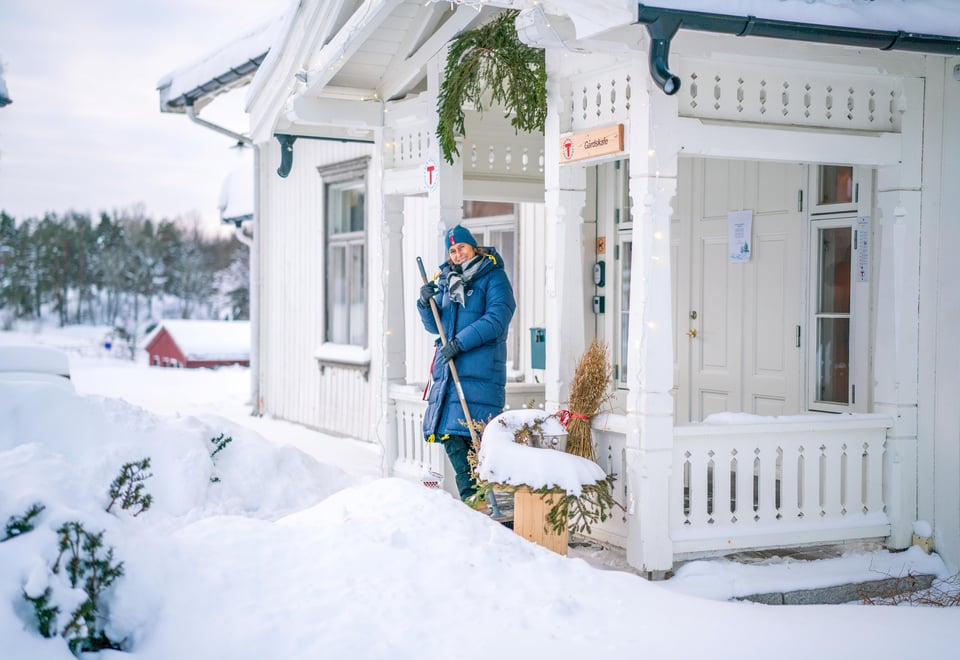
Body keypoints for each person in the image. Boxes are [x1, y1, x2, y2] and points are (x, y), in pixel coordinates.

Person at [417, 224, 516, 504]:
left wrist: (459, 344)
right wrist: (426, 303)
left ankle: (485, 503)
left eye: (461, 247)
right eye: (452, 250)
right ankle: (475, 502)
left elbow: (497, 319)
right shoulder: (448, 282)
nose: (457, 254)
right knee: (450, 436)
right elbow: (437, 326)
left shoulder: (493, 277)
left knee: (476, 442)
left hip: (480, 372)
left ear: (473, 247)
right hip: (451, 374)